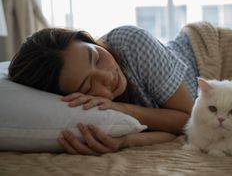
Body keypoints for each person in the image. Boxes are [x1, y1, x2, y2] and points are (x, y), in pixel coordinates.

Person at [8, 25, 200, 155]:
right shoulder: (92, 110)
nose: (108, 77)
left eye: (97, 58)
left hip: (208, 52)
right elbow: (171, 131)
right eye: (89, 86)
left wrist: (125, 109)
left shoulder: (132, 42)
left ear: (88, 40)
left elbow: (188, 119)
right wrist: (124, 142)